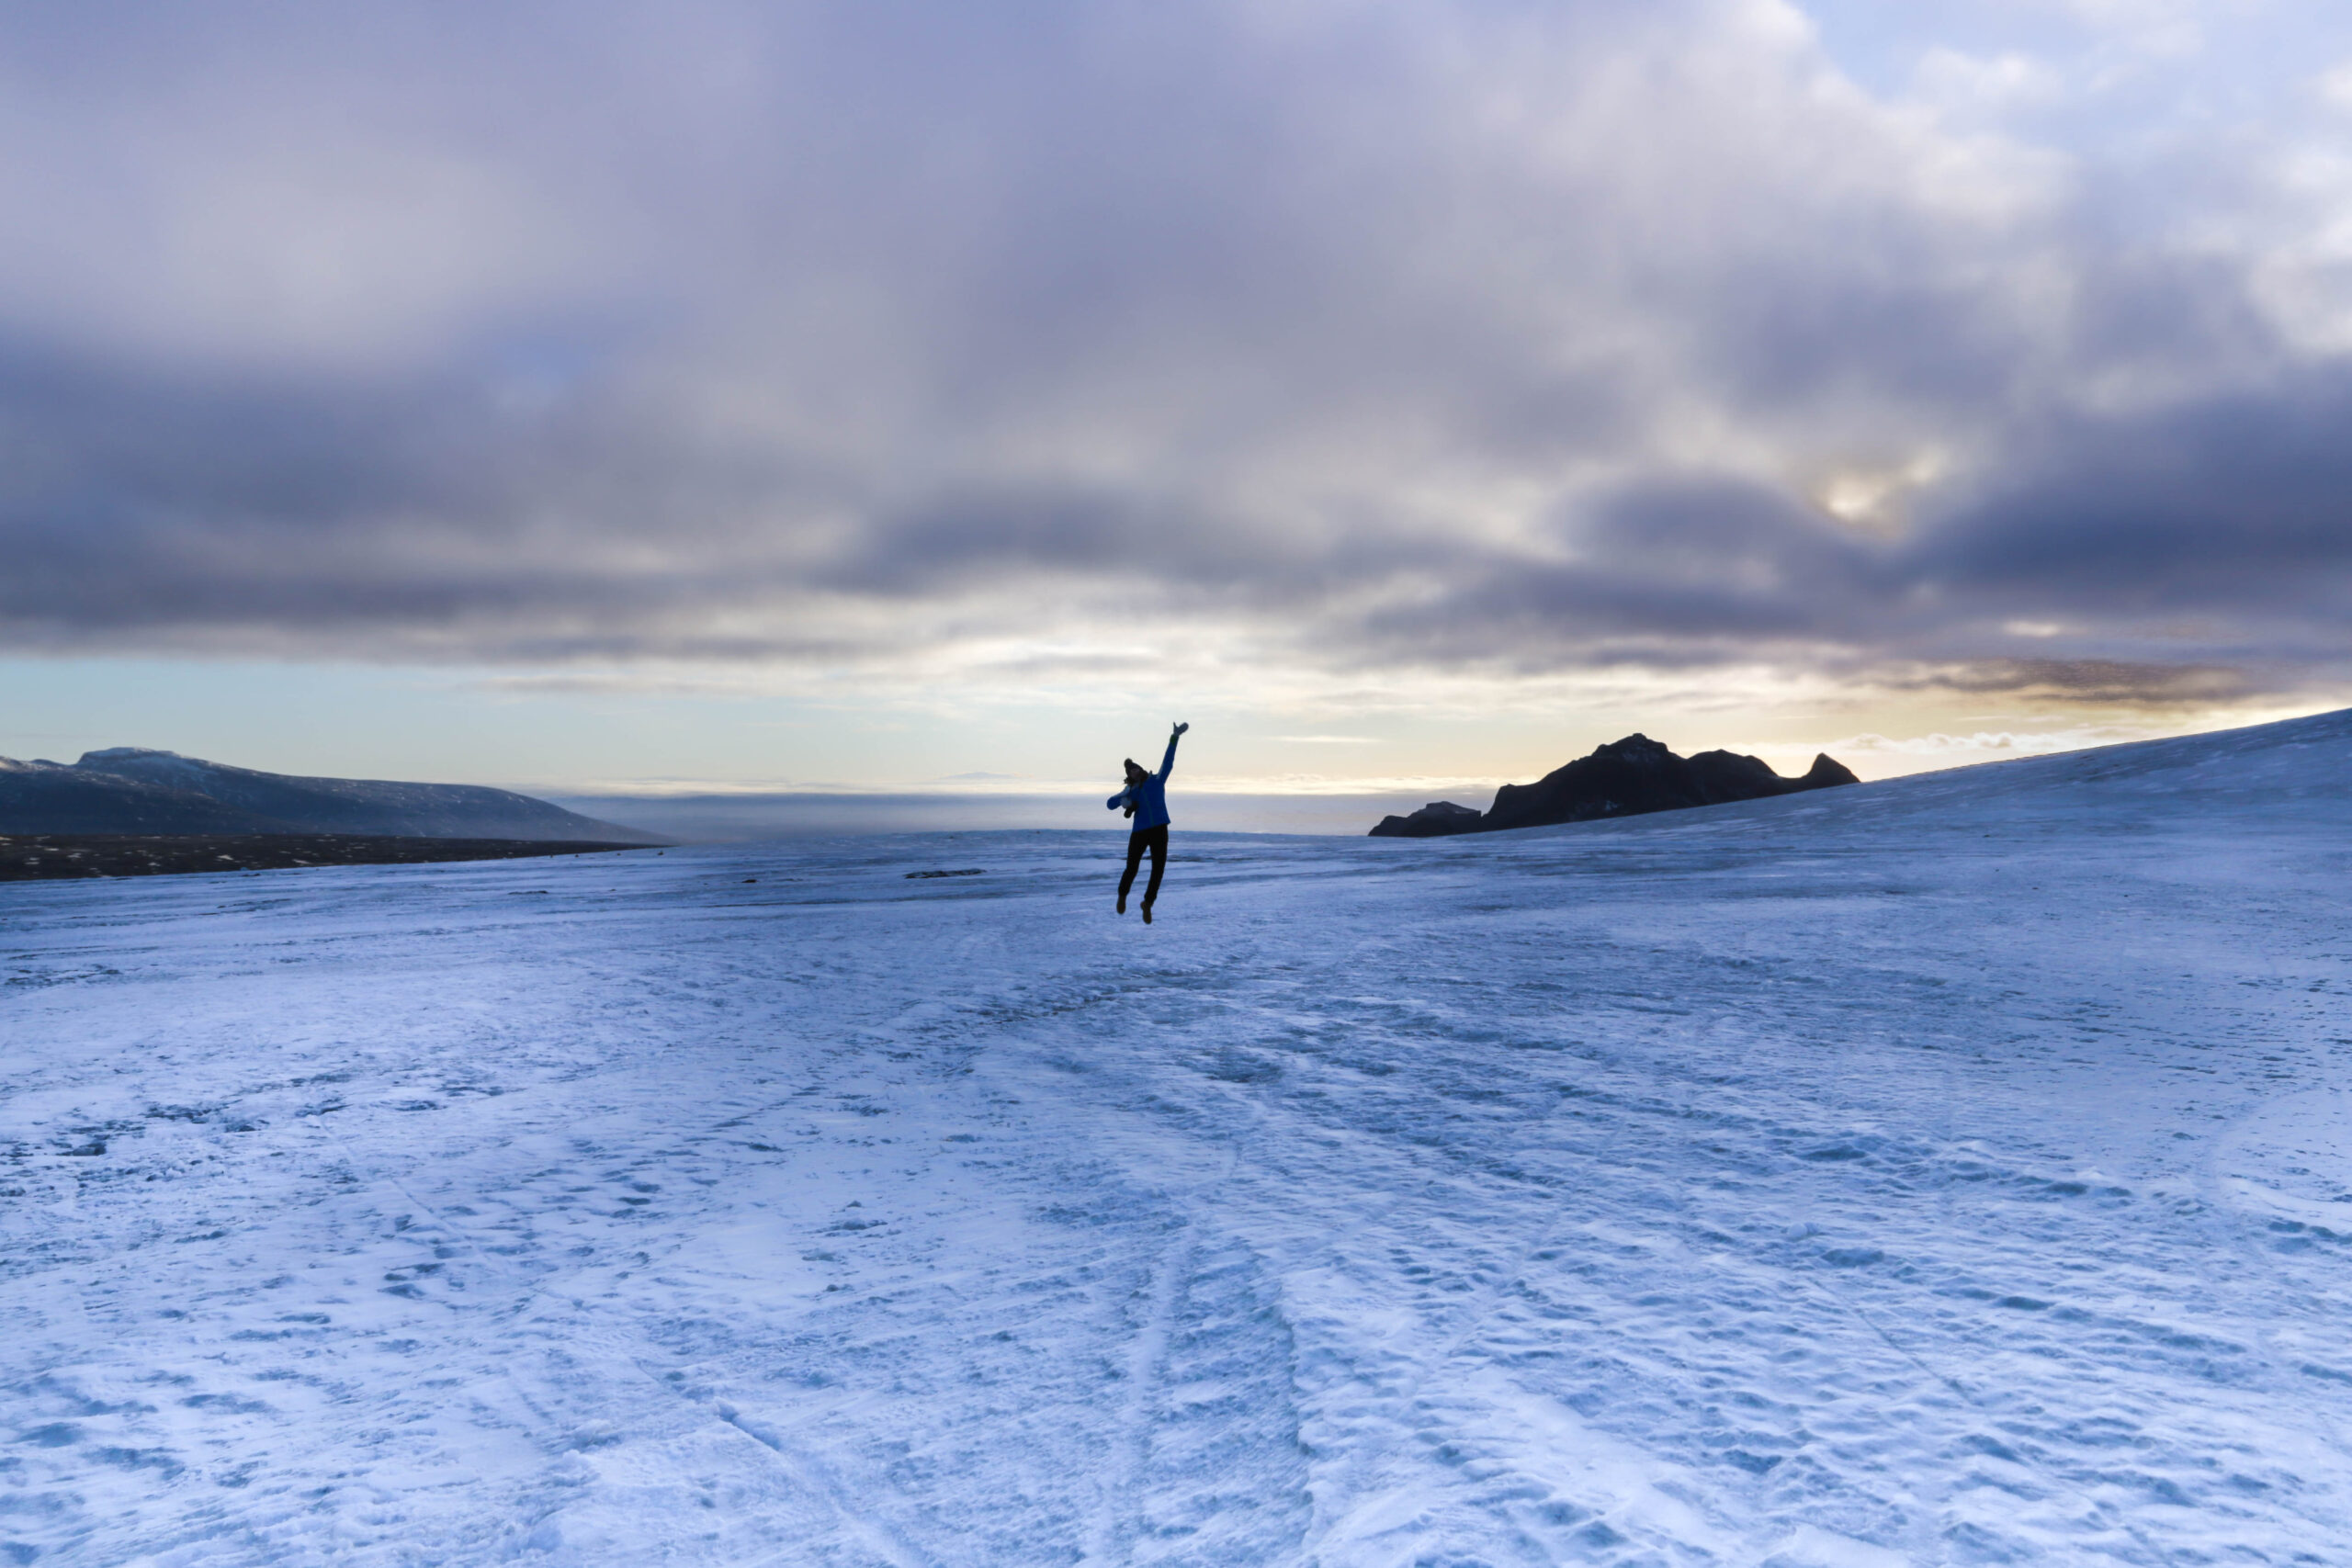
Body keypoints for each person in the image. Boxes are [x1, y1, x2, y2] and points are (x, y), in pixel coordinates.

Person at [1107, 722, 1187, 922]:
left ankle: (1148, 903)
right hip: (1140, 832)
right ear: (1129, 777)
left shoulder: (1156, 781)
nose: (1134, 771)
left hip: (1160, 828)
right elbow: (1110, 804)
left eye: (1135, 768)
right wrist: (1123, 796)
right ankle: (1122, 895)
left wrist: (1174, 737)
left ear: (1140, 769)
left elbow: (1168, 762)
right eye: (1130, 771)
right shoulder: (1131, 791)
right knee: (1132, 867)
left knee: (1158, 868)